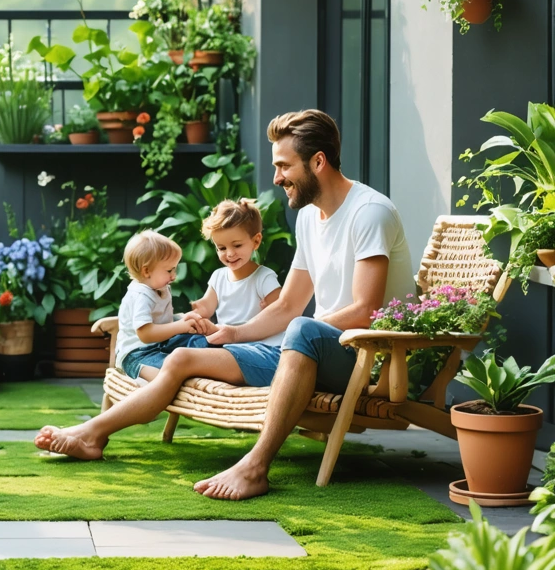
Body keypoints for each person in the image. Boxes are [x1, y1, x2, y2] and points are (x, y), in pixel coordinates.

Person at [35, 109, 413, 501]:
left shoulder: (369, 213)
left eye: (284, 166)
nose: (276, 178)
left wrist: (294, 340)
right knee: (183, 357)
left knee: (302, 329)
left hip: (365, 353)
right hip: (310, 352)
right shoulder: (310, 218)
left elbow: (366, 309)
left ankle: (255, 468)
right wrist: (233, 334)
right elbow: (287, 306)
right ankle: (93, 434)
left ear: (318, 161)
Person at [114, 230, 211, 383]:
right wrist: (180, 326)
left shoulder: (158, 287)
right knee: (168, 375)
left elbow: (161, 320)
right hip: (137, 354)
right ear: (147, 271)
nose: (174, 275)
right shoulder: (141, 295)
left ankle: (212, 362)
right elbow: (145, 334)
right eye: (169, 270)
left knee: (200, 340)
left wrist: (182, 318)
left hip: (161, 345)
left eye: (174, 269)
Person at [190, 198, 285, 347]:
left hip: (257, 346)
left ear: (256, 241)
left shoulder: (264, 277)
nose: (230, 254)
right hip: (225, 342)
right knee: (185, 343)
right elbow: (206, 307)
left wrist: (270, 308)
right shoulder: (218, 277)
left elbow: (282, 310)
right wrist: (194, 311)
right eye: (221, 248)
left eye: (237, 245)